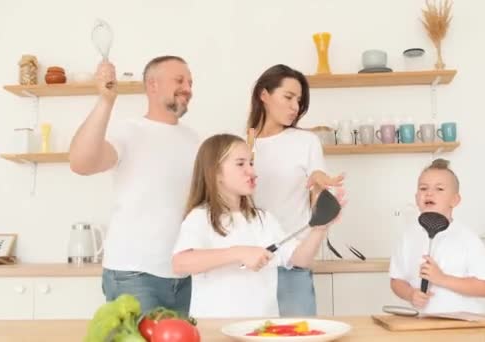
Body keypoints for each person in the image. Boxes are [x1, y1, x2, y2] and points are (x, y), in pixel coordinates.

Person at [69, 56, 199, 315]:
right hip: (134, 274)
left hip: (183, 274)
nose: (187, 88)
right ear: (152, 85)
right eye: (179, 80)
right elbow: (81, 163)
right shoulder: (128, 131)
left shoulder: (194, 139)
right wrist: (106, 101)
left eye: (190, 82)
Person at [171, 134, 343, 318]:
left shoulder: (264, 220)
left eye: (251, 163)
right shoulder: (200, 218)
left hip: (260, 329)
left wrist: (319, 228)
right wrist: (239, 253)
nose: (252, 172)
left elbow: (300, 259)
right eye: (240, 164)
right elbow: (180, 263)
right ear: (216, 173)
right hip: (215, 331)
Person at [245, 64, 344, 316]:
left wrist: (320, 184)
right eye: (288, 97)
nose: (295, 107)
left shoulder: (306, 141)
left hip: (293, 261)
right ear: (264, 95)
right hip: (251, 263)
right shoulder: (244, 144)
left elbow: (317, 189)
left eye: (299, 100)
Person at [389, 158, 485, 314]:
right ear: (416, 197)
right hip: (423, 324)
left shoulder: (469, 239)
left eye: (439, 189)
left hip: (463, 326)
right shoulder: (408, 237)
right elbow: (397, 280)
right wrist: (410, 294)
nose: (429, 193)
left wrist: (442, 279)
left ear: (455, 200)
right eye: (423, 188)